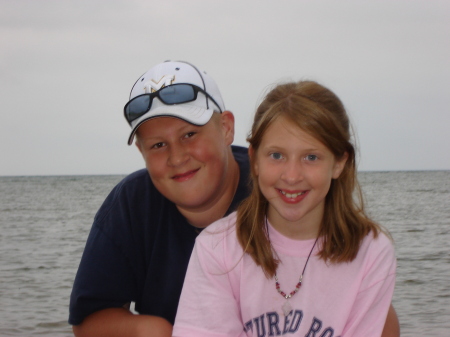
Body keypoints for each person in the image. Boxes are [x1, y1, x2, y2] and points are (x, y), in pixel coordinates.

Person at [69, 61, 399, 337]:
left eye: (189, 134)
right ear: (141, 151)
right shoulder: (134, 206)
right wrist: (156, 331)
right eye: (158, 145)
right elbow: (87, 320)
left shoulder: (282, 190)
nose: (177, 156)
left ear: (227, 129)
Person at [173, 80, 397, 336]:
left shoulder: (371, 252)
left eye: (311, 157)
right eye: (276, 155)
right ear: (254, 159)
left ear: (338, 163)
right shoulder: (216, 247)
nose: (292, 176)